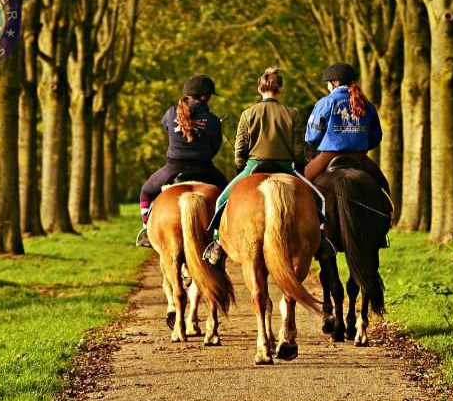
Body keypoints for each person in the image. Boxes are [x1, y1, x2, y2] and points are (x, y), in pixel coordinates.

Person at [202, 67, 333, 264]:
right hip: (285, 166)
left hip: (254, 166)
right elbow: (298, 147)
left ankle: (217, 244)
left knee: (221, 200)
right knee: (319, 200)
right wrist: (298, 165)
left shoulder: (248, 113)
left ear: (259, 89)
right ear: (280, 89)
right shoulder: (293, 113)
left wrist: (240, 167)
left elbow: (240, 147)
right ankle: (321, 240)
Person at [136, 75, 229, 248]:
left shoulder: (171, 112)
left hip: (173, 167)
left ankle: (146, 229)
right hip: (205, 169)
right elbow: (215, 147)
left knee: (146, 192)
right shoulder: (213, 120)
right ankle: (222, 234)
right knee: (228, 194)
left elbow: (167, 128)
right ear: (205, 96)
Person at [304, 63, 390, 192]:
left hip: (329, 155)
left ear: (336, 82)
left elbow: (312, 135)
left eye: (328, 82)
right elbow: (376, 135)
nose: (327, 86)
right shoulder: (367, 104)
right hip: (359, 155)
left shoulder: (326, 102)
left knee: (302, 183)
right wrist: (362, 145)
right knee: (384, 187)